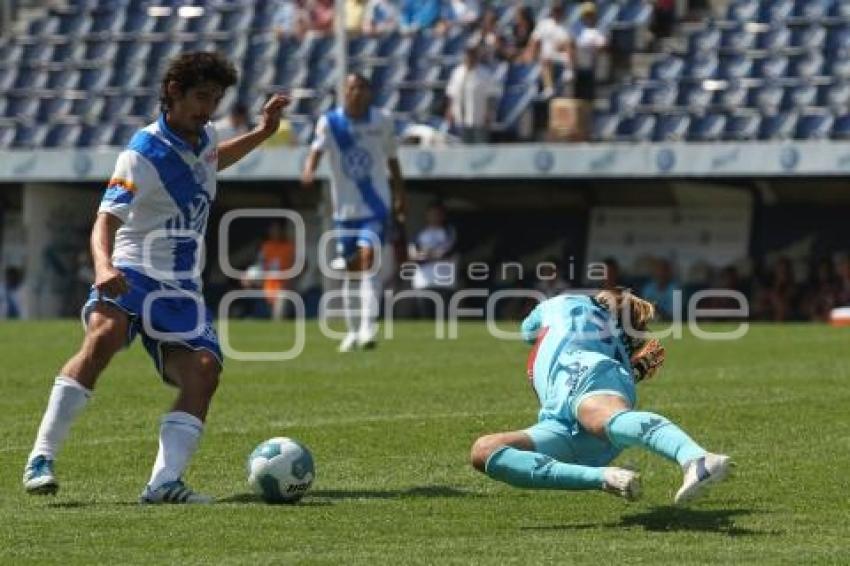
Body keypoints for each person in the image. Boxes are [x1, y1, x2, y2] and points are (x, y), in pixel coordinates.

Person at [22, 52, 290, 503]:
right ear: (173, 92)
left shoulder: (205, 139)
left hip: (182, 288)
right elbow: (104, 220)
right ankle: (41, 456)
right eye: (200, 97)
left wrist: (262, 133)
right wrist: (104, 268)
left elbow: (210, 161)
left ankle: (164, 483)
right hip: (133, 273)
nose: (207, 108)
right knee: (103, 338)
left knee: (204, 373)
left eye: (215, 98)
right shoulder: (141, 153)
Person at [470, 288, 733, 504]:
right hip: (563, 414)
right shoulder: (609, 339)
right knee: (485, 451)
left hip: (579, 372)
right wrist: (629, 371)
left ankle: (696, 458)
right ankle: (604, 477)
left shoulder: (567, 302)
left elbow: (527, 331)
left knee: (601, 417)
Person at [301, 73, 406, 352]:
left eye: (361, 87)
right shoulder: (330, 123)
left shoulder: (381, 120)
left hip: (376, 206)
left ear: (369, 92)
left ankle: (368, 328)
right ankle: (352, 331)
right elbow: (316, 150)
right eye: (351, 88)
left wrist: (399, 195)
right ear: (343, 92)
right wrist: (309, 169)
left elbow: (393, 159)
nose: (356, 92)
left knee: (369, 261)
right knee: (351, 272)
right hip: (344, 211)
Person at [409, 201, 457, 318]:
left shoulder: (449, 232)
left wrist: (426, 254)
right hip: (424, 281)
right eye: (432, 214)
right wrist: (428, 255)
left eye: (438, 214)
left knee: (444, 318)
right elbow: (413, 255)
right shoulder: (420, 234)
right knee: (426, 317)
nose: (434, 217)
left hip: (445, 281)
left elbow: (446, 252)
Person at [445, 46, 499, 143]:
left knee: (480, 144)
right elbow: (452, 93)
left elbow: (491, 95)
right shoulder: (457, 72)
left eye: (471, 56)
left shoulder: (485, 74)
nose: (469, 59)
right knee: (463, 144)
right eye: (467, 56)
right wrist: (450, 110)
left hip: (479, 117)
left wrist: (489, 113)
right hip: (461, 117)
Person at [530, 1, 572, 98]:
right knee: (545, 59)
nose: (557, 13)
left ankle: (568, 70)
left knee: (549, 58)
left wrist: (560, 46)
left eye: (559, 10)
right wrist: (531, 58)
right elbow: (534, 42)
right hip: (545, 57)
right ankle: (549, 88)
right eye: (555, 10)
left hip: (560, 58)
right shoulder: (543, 24)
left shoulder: (566, 26)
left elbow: (568, 45)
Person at [568, 2, 607, 101]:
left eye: (591, 15)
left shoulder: (598, 31)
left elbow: (602, 46)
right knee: (577, 96)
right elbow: (571, 44)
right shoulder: (577, 29)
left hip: (590, 67)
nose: (589, 17)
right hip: (577, 67)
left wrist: (592, 48)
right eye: (586, 15)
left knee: (588, 97)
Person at [259, 220, 297, 320]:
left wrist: (292, 279)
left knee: (279, 312)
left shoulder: (289, 247)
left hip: (285, 285)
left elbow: (302, 265)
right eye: (273, 230)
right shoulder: (266, 247)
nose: (275, 232)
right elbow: (261, 266)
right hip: (269, 285)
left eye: (277, 230)